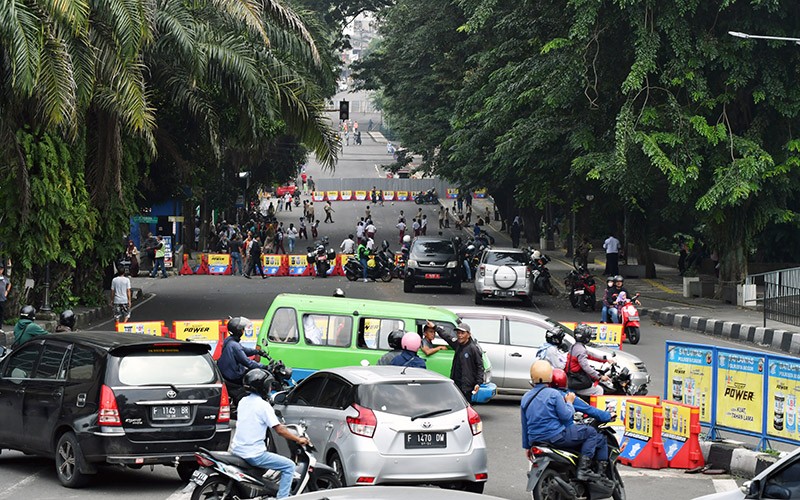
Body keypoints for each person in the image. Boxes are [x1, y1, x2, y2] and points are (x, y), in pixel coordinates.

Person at [521, 360, 608, 482]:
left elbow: (524, 424)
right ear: (550, 376)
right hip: (556, 437)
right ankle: (584, 469)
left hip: (535, 439)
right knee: (591, 432)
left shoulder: (526, 397)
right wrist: (569, 402)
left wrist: (527, 446)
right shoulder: (554, 394)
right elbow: (566, 416)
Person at [231, 369, 309, 499]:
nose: (270, 388)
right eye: (268, 385)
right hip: (254, 454)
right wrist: (298, 439)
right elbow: (279, 430)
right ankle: (282, 498)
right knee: (289, 466)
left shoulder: (243, 401)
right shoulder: (263, 406)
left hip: (237, 450)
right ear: (262, 387)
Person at [431, 321, 483, 402]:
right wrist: (435, 327)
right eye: (458, 333)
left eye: (462, 333)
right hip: (456, 384)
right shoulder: (457, 344)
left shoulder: (473, 348)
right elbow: (446, 336)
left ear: (468, 335)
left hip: (466, 387)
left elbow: (480, 366)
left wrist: (478, 383)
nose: (460, 335)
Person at [218, 317, 264, 387]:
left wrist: (257, 352)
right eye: (242, 329)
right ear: (238, 331)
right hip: (233, 376)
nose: (243, 330)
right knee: (255, 380)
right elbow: (248, 363)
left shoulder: (229, 341)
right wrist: (265, 367)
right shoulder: (234, 345)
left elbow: (244, 350)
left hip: (228, 372)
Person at [566, 323, 608, 397]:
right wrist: (600, 376)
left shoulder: (574, 347)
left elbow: (590, 355)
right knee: (599, 390)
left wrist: (605, 359)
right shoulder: (580, 350)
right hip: (577, 381)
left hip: (572, 378)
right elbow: (586, 367)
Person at [0, 263, 10, 331]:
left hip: (2, 298)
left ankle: (0, 327)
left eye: (1, 269)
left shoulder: (4, 278)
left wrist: (7, 291)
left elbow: (9, 283)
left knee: (1, 313)